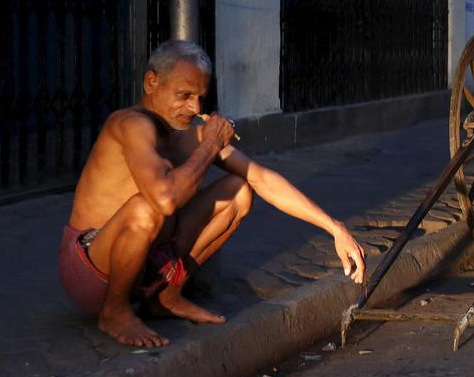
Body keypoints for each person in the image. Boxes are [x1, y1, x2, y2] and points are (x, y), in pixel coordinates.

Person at [57, 40, 366, 348]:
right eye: (184, 96)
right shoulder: (130, 124)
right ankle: (115, 311)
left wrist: (333, 227)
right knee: (146, 207)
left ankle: (165, 297)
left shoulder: (191, 132)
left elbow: (261, 179)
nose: (194, 108)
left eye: (199, 98)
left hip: (149, 260)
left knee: (239, 191)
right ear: (151, 82)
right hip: (93, 269)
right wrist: (209, 145)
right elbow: (164, 199)